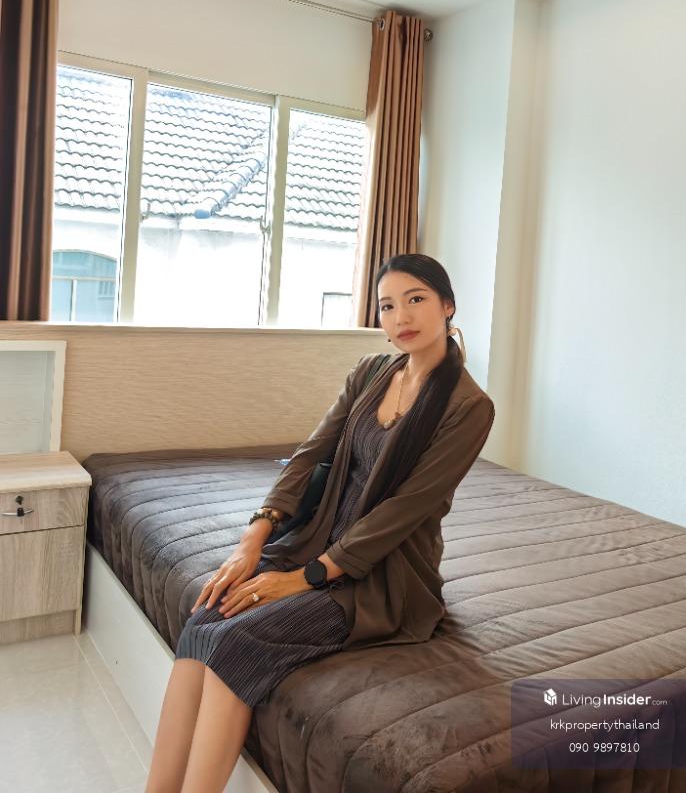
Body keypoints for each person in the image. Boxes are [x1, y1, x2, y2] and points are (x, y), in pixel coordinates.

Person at [144, 253, 495, 793]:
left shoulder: (469, 406)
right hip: (315, 541)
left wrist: (302, 579)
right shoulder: (371, 373)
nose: (401, 316)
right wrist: (253, 537)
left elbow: (404, 511)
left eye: (416, 299)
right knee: (205, 616)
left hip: (382, 577)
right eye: (387, 305)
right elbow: (310, 455)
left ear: (448, 306)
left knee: (237, 642)